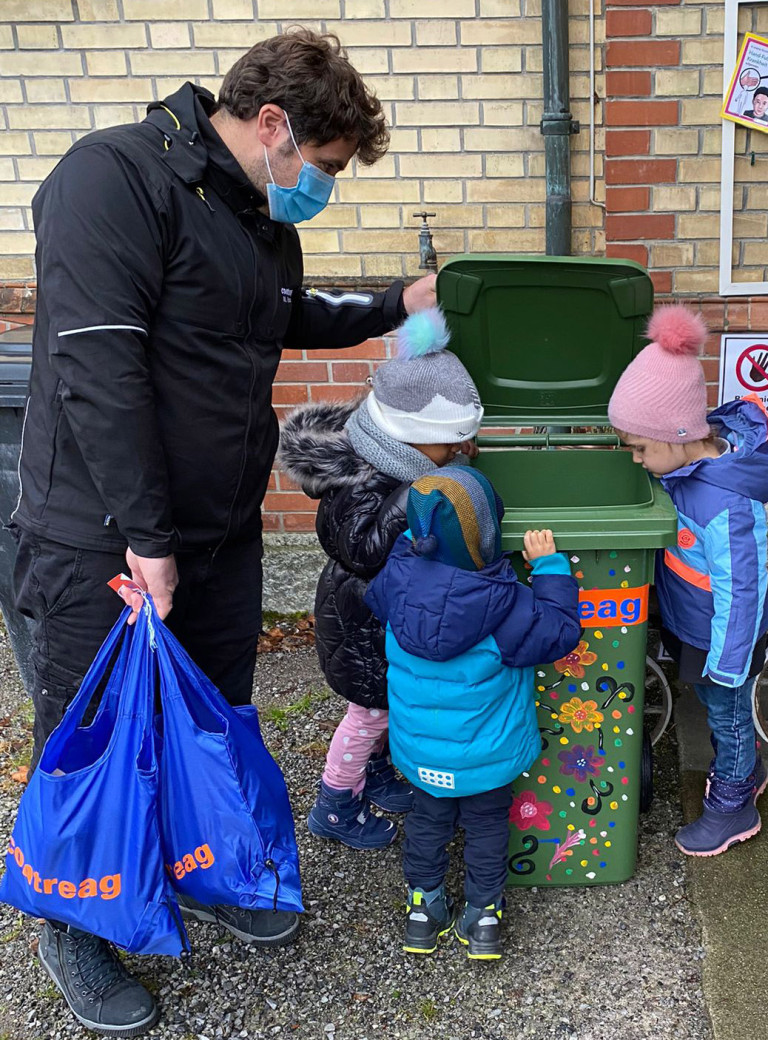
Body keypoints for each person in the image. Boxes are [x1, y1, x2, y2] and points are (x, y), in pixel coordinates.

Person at [8, 27, 437, 1037]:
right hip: (98, 538)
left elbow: (285, 311)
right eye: (324, 166)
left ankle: (198, 866)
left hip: (216, 531)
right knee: (92, 730)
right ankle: (72, 919)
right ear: (275, 125)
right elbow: (98, 368)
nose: (320, 185)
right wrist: (145, 538)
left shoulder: (254, 215)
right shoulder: (112, 179)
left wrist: (393, 304)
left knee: (210, 712)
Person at [278, 307, 484, 850]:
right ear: (411, 441)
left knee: (387, 707)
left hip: (373, 614)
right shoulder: (367, 483)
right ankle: (335, 801)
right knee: (368, 715)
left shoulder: (389, 463)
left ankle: (375, 775)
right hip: (358, 622)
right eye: (446, 446)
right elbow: (362, 551)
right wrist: (409, 502)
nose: (451, 456)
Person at [365, 469, 581, 960]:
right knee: (486, 828)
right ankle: (483, 916)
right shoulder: (508, 608)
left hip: (421, 752)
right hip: (487, 756)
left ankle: (423, 912)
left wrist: (420, 542)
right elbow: (561, 631)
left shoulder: (394, 587)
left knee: (427, 821)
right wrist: (549, 569)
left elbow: (400, 567)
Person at [608, 304, 768, 857]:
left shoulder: (727, 500)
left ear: (677, 435)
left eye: (640, 448)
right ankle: (747, 763)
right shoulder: (685, 467)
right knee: (713, 703)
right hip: (693, 621)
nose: (636, 460)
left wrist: (730, 661)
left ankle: (734, 800)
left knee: (725, 711)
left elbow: (744, 588)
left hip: (726, 637)